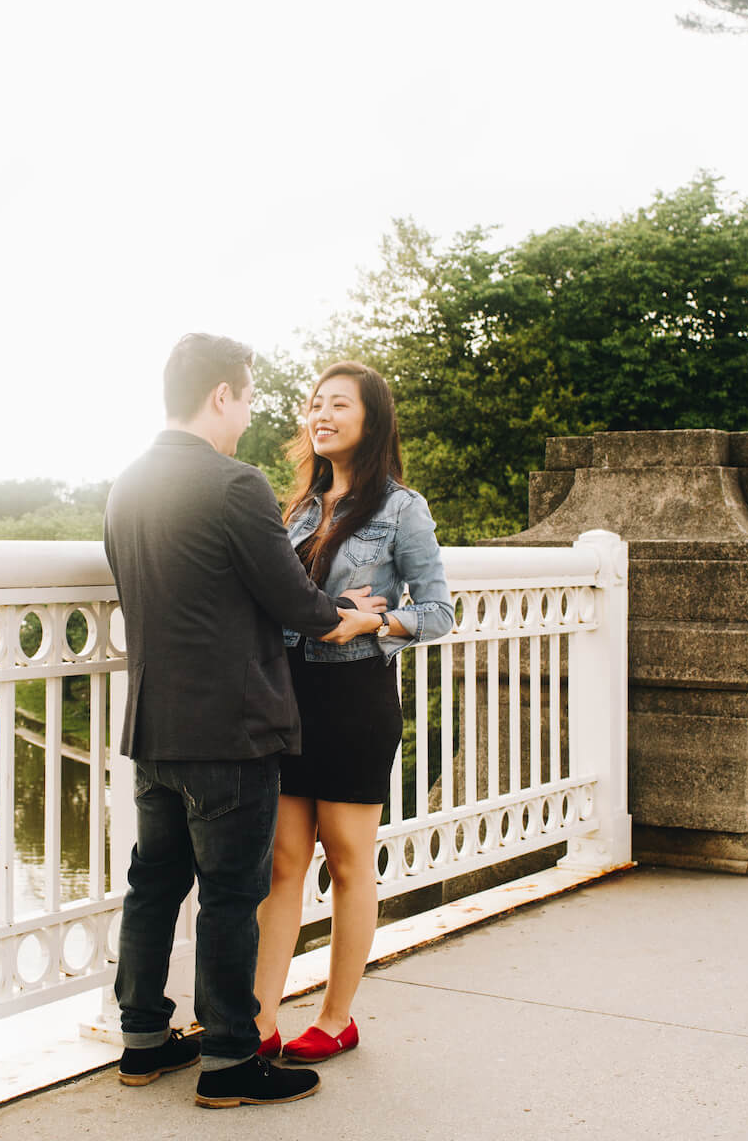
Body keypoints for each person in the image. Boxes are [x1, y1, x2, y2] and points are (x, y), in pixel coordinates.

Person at [102, 333, 389, 1109]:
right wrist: (352, 615)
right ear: (223, 394)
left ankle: (141, 1040)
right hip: (231, 731)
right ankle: (230, 1059)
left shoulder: (126, 485)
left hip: (153, 727)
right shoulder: (236, 485)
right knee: (232, 895)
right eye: (250, 397)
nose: (252, 413)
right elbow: (297, 606)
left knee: (153, 886)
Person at [252, 361, 453, 1063]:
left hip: (356, 698)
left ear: (371, 420)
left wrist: (371, 624)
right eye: (315, 404)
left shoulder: (402, 509)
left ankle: (338, 1017)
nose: (321, 414)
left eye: (339, 404)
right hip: (293, 695)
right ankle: (259, 1017)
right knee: (282, 862)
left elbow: (438, 613)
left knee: (346, 862)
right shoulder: (297, 510)